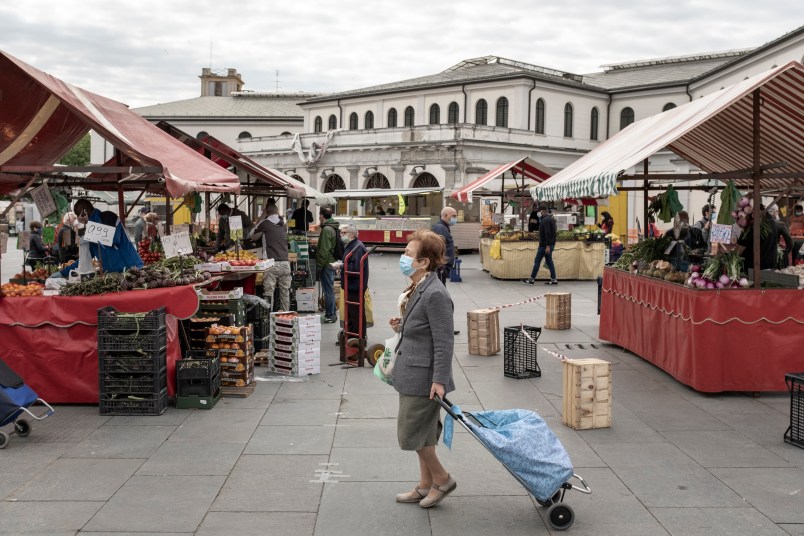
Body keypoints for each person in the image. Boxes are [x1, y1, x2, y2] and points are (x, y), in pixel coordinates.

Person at [388, 229, 456, 509]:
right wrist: (401, 327)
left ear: (423, 262)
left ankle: (442, 479)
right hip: (413, 372)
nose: (403, 257)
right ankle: (424, 485)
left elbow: (444, 341)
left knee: (411, 433)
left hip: (424, 377)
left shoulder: (435, 293)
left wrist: (439, 379)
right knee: (424, 434)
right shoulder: (420, 285)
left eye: (408, 253)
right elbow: (423, 329)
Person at [56, 198, 143, 276]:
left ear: (85, 210)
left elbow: (115, 239)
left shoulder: (108, 216)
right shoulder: (85, 230)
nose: (79, 218)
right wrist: (62, 273)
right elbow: (84, 258)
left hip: (132, 268)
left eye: (79, 214)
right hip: (113, 274)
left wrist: (91, 235)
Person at [251, 204, 291, 311]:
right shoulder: (285, 223)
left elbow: (252, 236)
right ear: (277, 212)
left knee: (269, 293)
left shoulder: (265, 223)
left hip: (271, 263)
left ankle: (268, 318)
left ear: (266, 212)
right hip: (285, 262)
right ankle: (286, 315)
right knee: (285, 292)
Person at [336, 223, 369, 345]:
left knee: (356, 314)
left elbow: (355, 268)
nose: (341, 235)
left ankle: (360, 338)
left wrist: (340, 265)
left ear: (351, 234)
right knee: (350, 313)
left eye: (343, 233)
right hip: (350, 286)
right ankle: (349, 336)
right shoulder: (351, 246)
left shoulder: (357, 247)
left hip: (355, 286)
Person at [522, 205, 557, 285]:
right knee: (549, 261)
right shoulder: (550, 219)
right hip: (548, 244)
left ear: (542, 211)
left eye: (539, 212)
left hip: (544, 245)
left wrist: (547, 246)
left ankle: (531, 279)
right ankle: (554, 279)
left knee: (537, 261)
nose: (538, 213)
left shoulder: (546, 221)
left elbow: (547, 233)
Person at [316, 207, 340, 323]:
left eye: (320, 215)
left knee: (328, 290)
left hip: (326, 263)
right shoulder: (332, 227)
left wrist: (320, 265)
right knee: (329, 289)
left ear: (322, 216)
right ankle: (331, 313)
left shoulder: (326, 229)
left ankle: (330, 315)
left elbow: (324, 249)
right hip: (330, 261)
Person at [737, 205, 779, 271]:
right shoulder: (771, 220)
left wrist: (732, 256)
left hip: (756, 266)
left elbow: (740, 247)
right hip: (769, 264)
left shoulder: (753, 224)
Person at [431, 206, 457, 286]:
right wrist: (442, 267)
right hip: (441, 269)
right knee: (440, 291)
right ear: (445, 215)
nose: (455, 219)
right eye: (453, 216)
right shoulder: (441, 228)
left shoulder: (444, 227)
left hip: (442, 268)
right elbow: (439, 248)